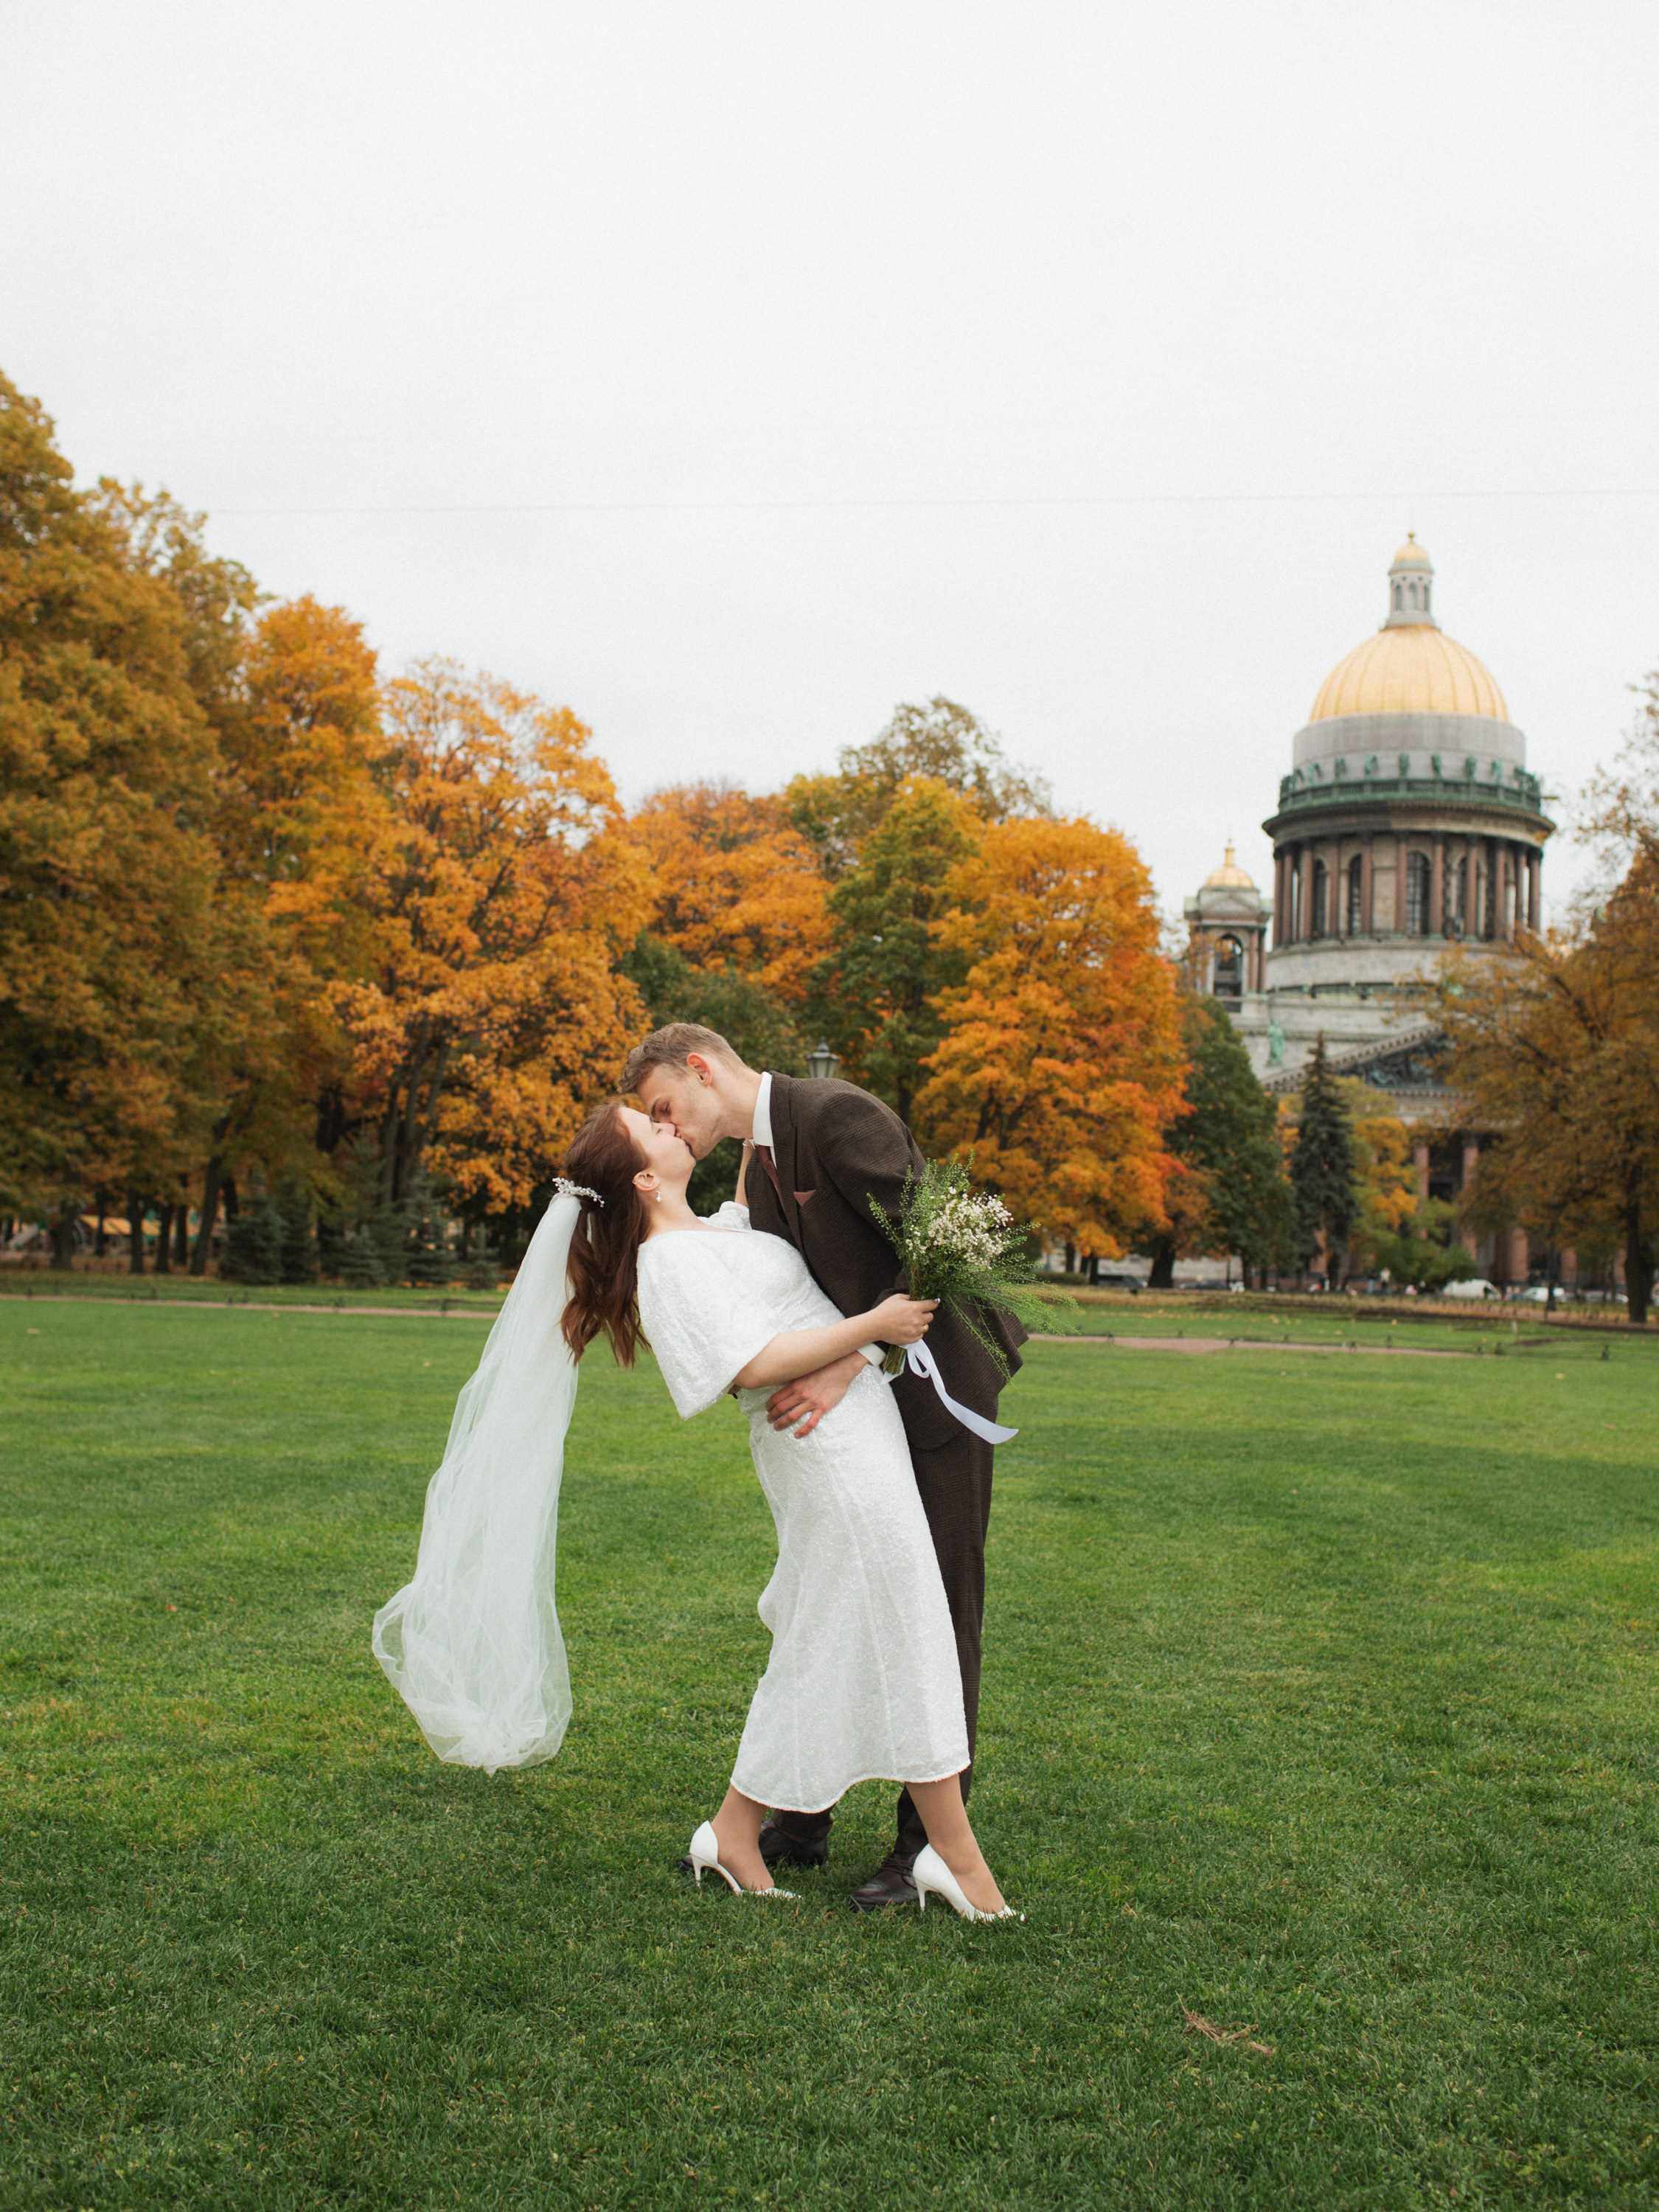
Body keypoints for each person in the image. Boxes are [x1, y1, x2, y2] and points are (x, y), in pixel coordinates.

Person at [559, 1101, 1015, 1919]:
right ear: (640, 1175)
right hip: (825, 1455)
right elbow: (751, 1363)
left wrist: (748, 1099)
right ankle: (959, 1862)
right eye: (652, 1127)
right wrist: (872, 1325)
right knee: (903, 1627)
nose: (671, 1127)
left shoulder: (711, 1233)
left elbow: (745, 1152)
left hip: (858, 1433)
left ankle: (736, 1832)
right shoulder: (665, 1264)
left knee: (831, 1634)